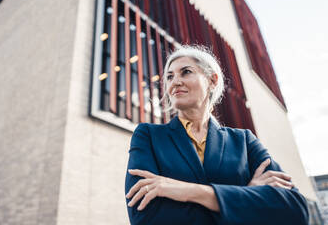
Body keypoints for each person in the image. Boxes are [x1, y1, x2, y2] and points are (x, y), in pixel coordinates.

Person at [124, 45, 309, 225]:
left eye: (186, 72)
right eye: (170, 77)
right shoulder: (148, 136)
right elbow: (143, 217)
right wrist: (245, 196)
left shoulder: (243, 141)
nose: (175, 82)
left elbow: (295, 210)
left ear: (212, 80)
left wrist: (189, 191)